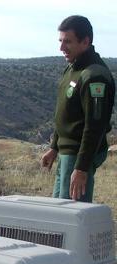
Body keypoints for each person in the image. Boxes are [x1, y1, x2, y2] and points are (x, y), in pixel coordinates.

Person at [40, 15, 115, 202]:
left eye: (68, 42)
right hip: (67, 154)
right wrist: (54, 147)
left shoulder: (94, 75)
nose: (61, 48)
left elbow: (95, 126)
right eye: (60, 41)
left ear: (85, 41)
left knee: (70, 215)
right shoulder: (73, 68)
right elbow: (67, 113)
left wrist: (81, 168)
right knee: (58, 210)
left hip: (78, 156)